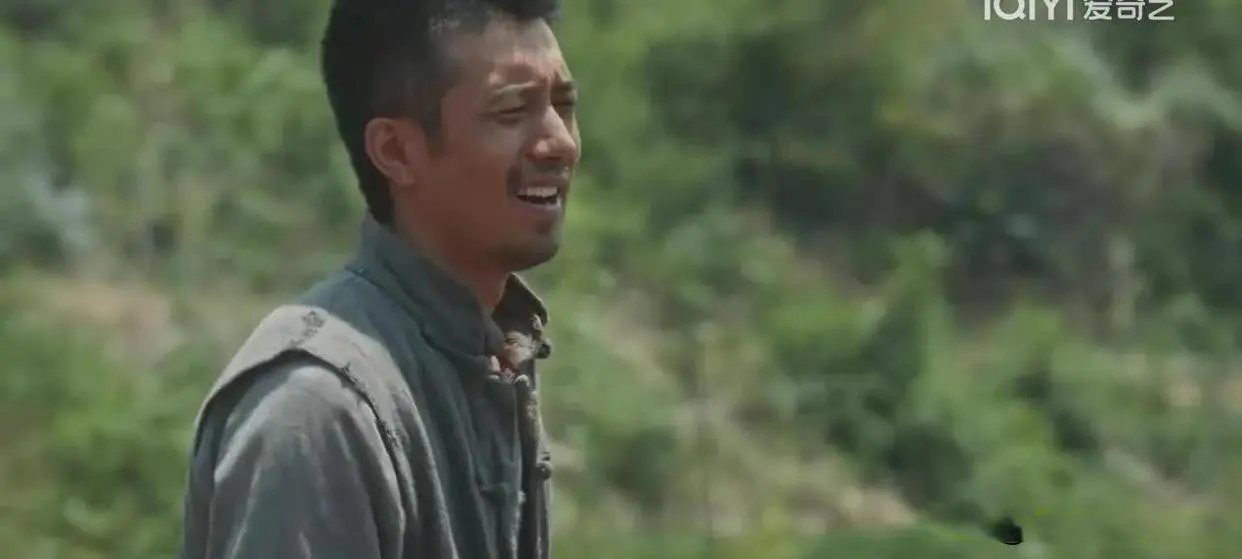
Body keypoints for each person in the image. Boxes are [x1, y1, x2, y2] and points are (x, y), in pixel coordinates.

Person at [178, 0, 578, 556]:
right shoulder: (319, 406)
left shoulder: (494, 354)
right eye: (512, 111)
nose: (560, 142)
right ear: (396, 151)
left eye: (564, 105)